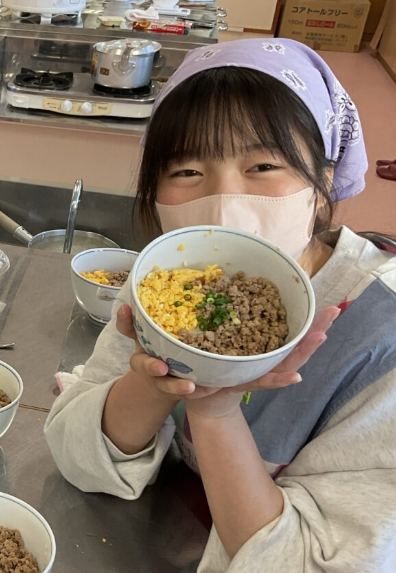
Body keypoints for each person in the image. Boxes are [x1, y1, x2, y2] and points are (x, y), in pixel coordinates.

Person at [44, 39, 395, 572]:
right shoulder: (165, 286)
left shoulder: (379, 337)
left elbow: (321, 561)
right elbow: (77, 456)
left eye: (264, 164)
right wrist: (151, 382)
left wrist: (216, 409)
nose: (225, 201)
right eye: (187, 172)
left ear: (323, 182)